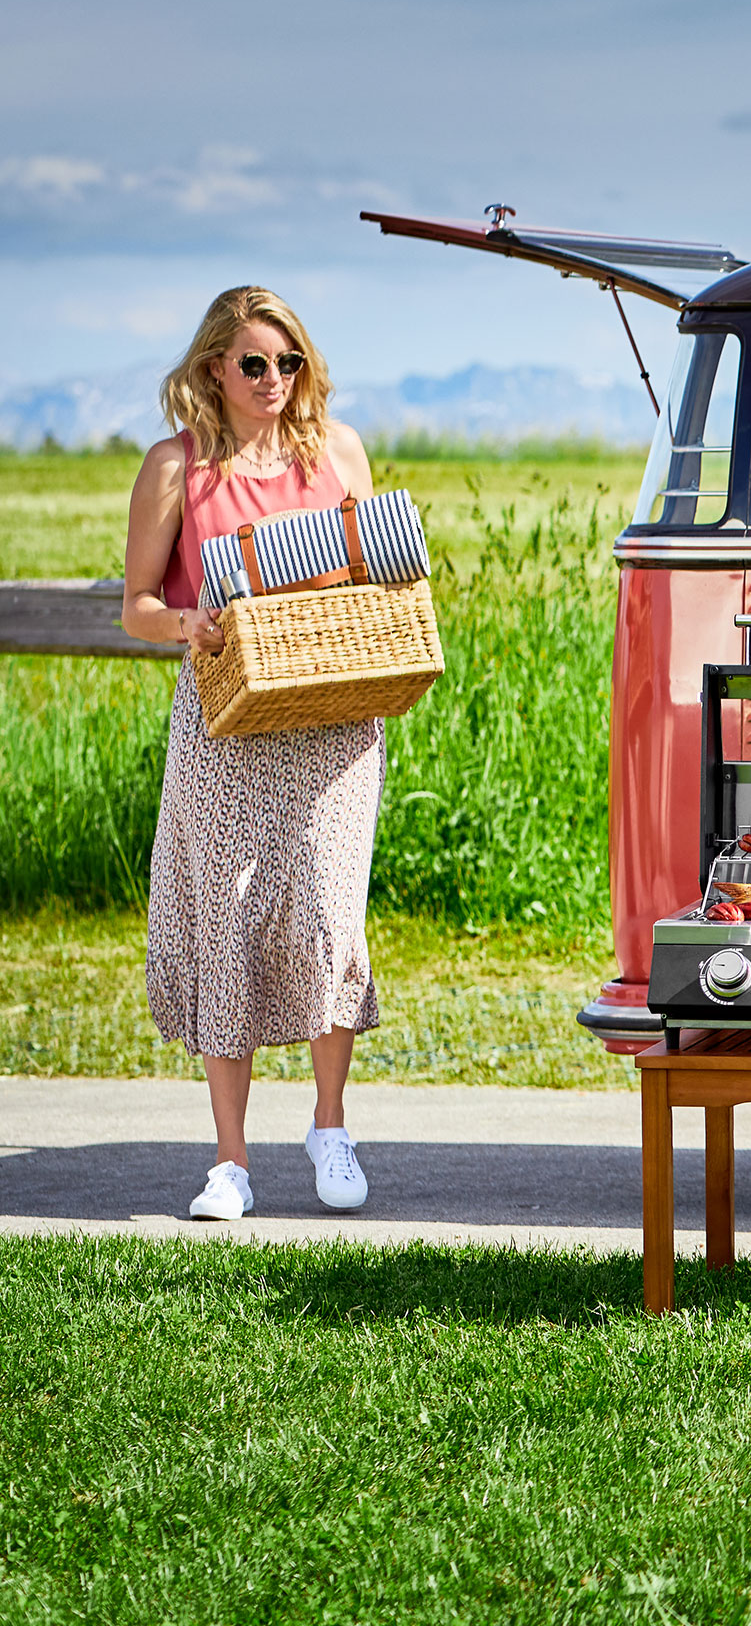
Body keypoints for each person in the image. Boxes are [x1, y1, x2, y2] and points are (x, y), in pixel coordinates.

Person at [122, 285, 383, 1221]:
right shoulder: (174, 467)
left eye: (290, 362)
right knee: (225, 922)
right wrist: (191, 622)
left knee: (326, 918)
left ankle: (329, 1126)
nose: (275, 380)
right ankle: (229, 1161)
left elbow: (378, 569)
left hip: (335, 722)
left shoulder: (338, 451)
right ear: (212, 371)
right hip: (226, 725)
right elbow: (137, 606)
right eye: (255, 364)